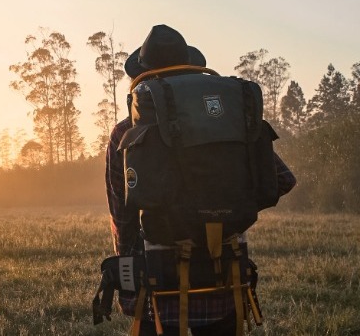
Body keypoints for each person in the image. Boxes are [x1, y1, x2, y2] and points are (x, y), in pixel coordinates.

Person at [105, 25, 296, 335]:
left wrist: (128, 269)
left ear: (144, 75)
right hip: (226, 275)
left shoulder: (126, 132)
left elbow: (122, 213)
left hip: (161, 281)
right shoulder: (230, 121)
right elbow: (282, 180)